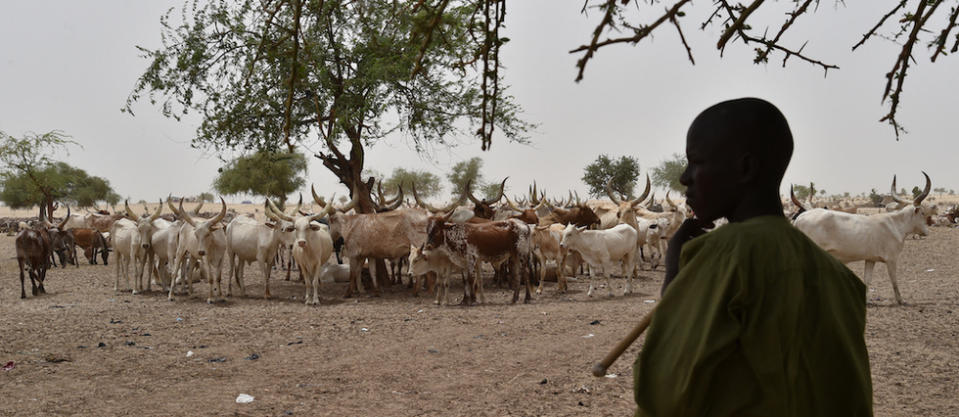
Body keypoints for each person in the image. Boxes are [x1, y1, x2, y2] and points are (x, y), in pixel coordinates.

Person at [633, 98, 873, 417]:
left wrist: (674, 280)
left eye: (696, 162)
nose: (684, 178)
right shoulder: (839, 276)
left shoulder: (724, 256)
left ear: (745, 168)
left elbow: (663, 389)